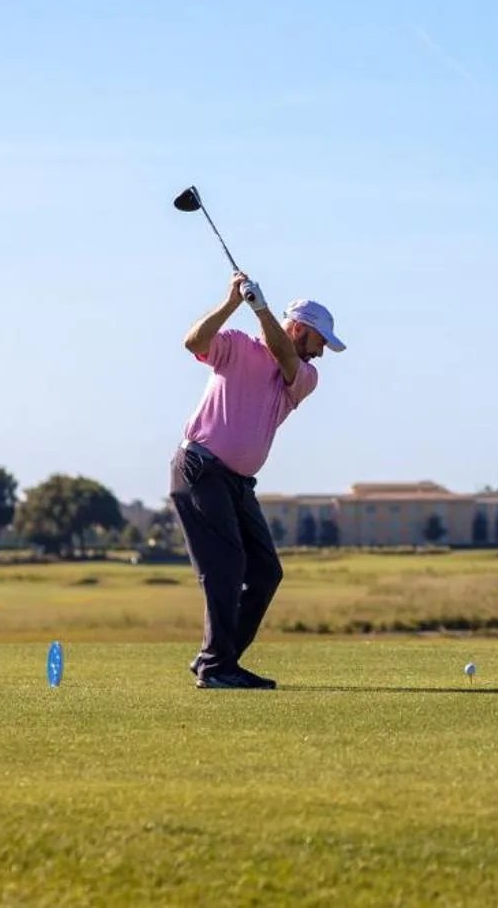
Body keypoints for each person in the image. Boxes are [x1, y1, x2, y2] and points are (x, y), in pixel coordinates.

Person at [173, 271, 344, 690]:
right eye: (320, 342)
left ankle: (218, 660)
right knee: (227, 566)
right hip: (200, 469)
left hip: (237, 484)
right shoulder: (235, 345)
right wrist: (234, 301)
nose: (321, 353)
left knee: (265, 571)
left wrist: (261, 308)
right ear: (301, 330)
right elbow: (193, 343)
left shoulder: (302, 376)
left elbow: (285, 356)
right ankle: (217, 668)